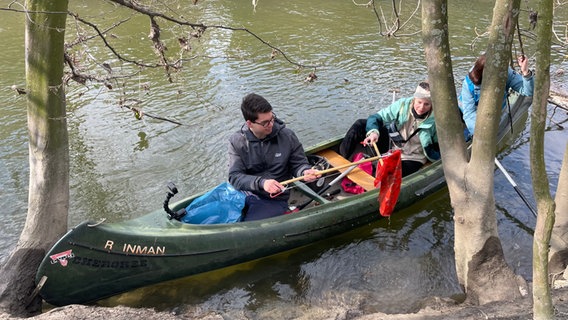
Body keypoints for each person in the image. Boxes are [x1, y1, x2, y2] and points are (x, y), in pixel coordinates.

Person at [228, 93, 320, 221]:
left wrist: (305, 171)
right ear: (249, 123)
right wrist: (262, 183)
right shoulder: (236, 141)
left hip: (275, 199)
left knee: (248, 228)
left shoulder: (287, 136)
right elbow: (234, 177)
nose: (271, 124)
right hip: (245, 193)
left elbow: (298, 164)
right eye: (265, 123)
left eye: (272, 118)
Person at [339, 81, 440, 177]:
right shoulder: (402, 105)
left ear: (432, 105)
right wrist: (374, 133)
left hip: (413, 156)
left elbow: (440, 145)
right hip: (394, 144)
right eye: (419, 102)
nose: (421, 107)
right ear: (414, 99)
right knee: (360, 124)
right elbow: (376, 117)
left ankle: (370, 176)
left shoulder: (437, 119)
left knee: (388, 171)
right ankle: (341, 160)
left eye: (426, 104)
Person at [458, 54, 534, 139]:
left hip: (492, 114)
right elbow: (469, 113)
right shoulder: (469, 83)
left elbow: (528, 92)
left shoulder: (505, 72)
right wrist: (479, 133)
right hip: (466, 111)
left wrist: (525, 72)